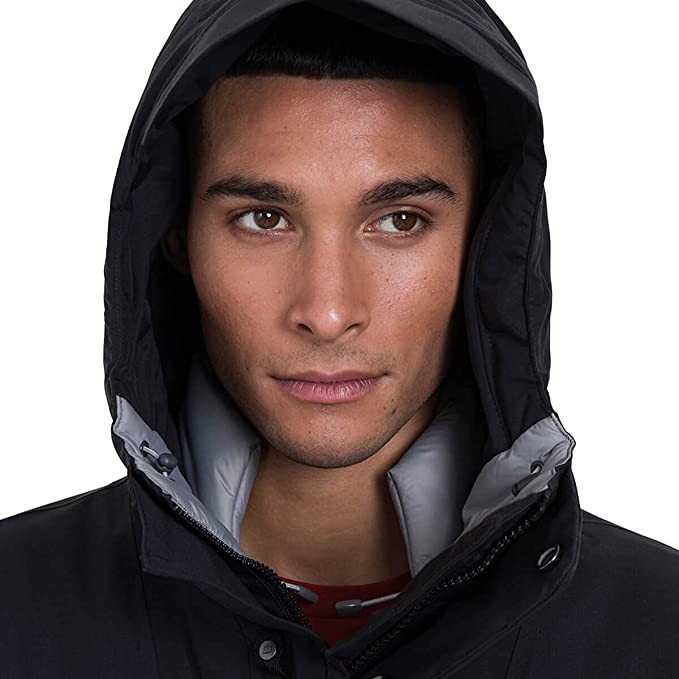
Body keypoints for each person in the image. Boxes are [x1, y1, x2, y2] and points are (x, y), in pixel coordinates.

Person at [1, 1, 677, 677]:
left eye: (400, 221)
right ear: (175, 234)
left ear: (487, 245)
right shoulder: (15, 610)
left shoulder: (659, 629)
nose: (327, 312)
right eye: (263, 218)